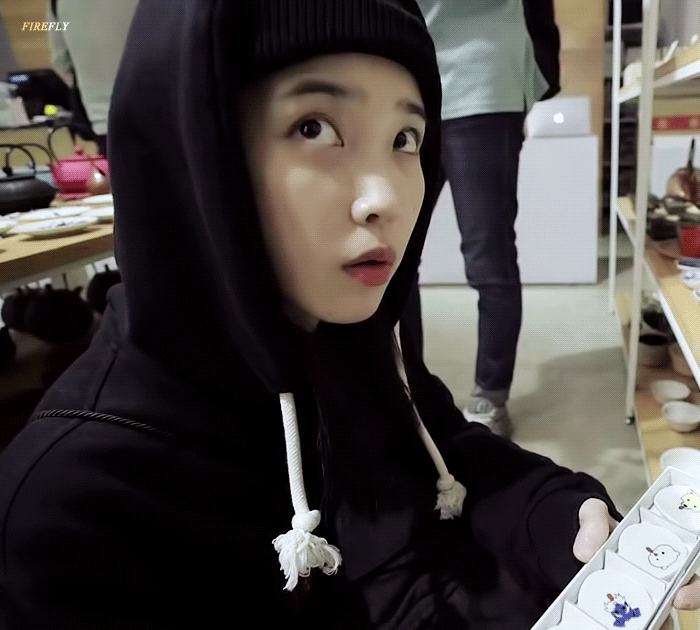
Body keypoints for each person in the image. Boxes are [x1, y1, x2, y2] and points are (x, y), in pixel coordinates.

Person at [0, 1, 697, 628]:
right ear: (194, 151)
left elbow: (444, 447)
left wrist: (558, 514)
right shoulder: (75, 505)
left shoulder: (349, 342)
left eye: (405, 138)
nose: (385, 197)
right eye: (315, 127)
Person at [404, 0, 563, 439]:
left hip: (482, 78)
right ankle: (407, 387)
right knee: (396, 261)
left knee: (488, 260)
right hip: (408, 86)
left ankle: (490, 396)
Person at [46, 0, 140, 155]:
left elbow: (60, 60)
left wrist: (90, 88)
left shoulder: (57, 2)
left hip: (104, 119)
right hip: (165, 112)